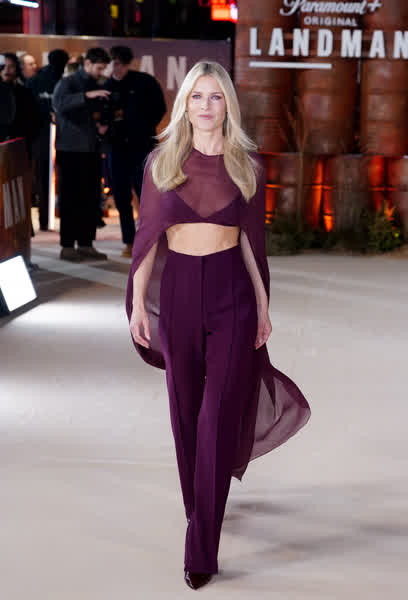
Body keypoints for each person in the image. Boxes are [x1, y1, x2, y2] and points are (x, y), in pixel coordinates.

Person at [125, 61, 311, 589]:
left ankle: (200, 547)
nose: (206, 106)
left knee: (217, 417)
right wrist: (137, 304)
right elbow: (147, 239)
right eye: (197, 96)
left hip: (233, 294)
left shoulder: (247, 165)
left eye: (216, 96)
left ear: (228, 104)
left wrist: (263, 305)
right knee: (184, 412)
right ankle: (198, 508)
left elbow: (252, 242)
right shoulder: (162, 162)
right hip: (179, 292)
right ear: (184, 103)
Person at [105, 45, 166, 257]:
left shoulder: (145, 82)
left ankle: (151, 239)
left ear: (128, 64)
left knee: (147, 194)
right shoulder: (106, 86)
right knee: (121, 196)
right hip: (116, 148)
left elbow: (160, 108)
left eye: (120, 64)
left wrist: (143, 128)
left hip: (142, 147)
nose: (117, 68)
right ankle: (129, 241)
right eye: (113, 64)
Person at [52, 47, 111, 262]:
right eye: (98, 68)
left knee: (90, 199)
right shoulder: (67, 83)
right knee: (70, 199)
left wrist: (104, 123)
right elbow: (58, 105)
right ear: (87, 64)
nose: (101, 72)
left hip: (92, 150)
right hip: (70, 150)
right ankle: (67, 246)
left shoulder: (99, 84)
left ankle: (86, 244)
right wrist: (85, 96)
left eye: (103, 68)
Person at [27, 49, 69, 231]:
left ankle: (46, 218)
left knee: (44, 178)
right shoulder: (64, 81)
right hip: (57, 137)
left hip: (42, 138)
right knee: (59, 178)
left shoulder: (36, 81)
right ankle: (56, 217)